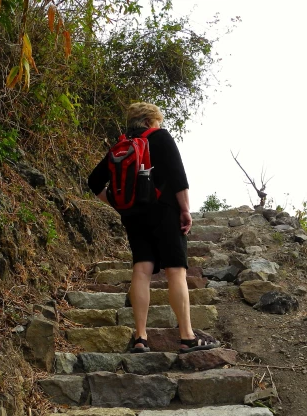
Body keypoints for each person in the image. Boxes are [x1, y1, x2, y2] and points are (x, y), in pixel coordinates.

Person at [87, 102, 220, 354]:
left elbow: (94, 181)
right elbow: (178, 177)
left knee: (142, 269)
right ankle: (187, 337)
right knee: (175, 271)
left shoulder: (121, 146)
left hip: (134, 215)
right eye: (157, 121)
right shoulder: (160, 137)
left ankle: (140, 338)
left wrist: (119, 205)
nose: (158, 125)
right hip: (165, 211)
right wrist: (185, 210)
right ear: (150, 121)